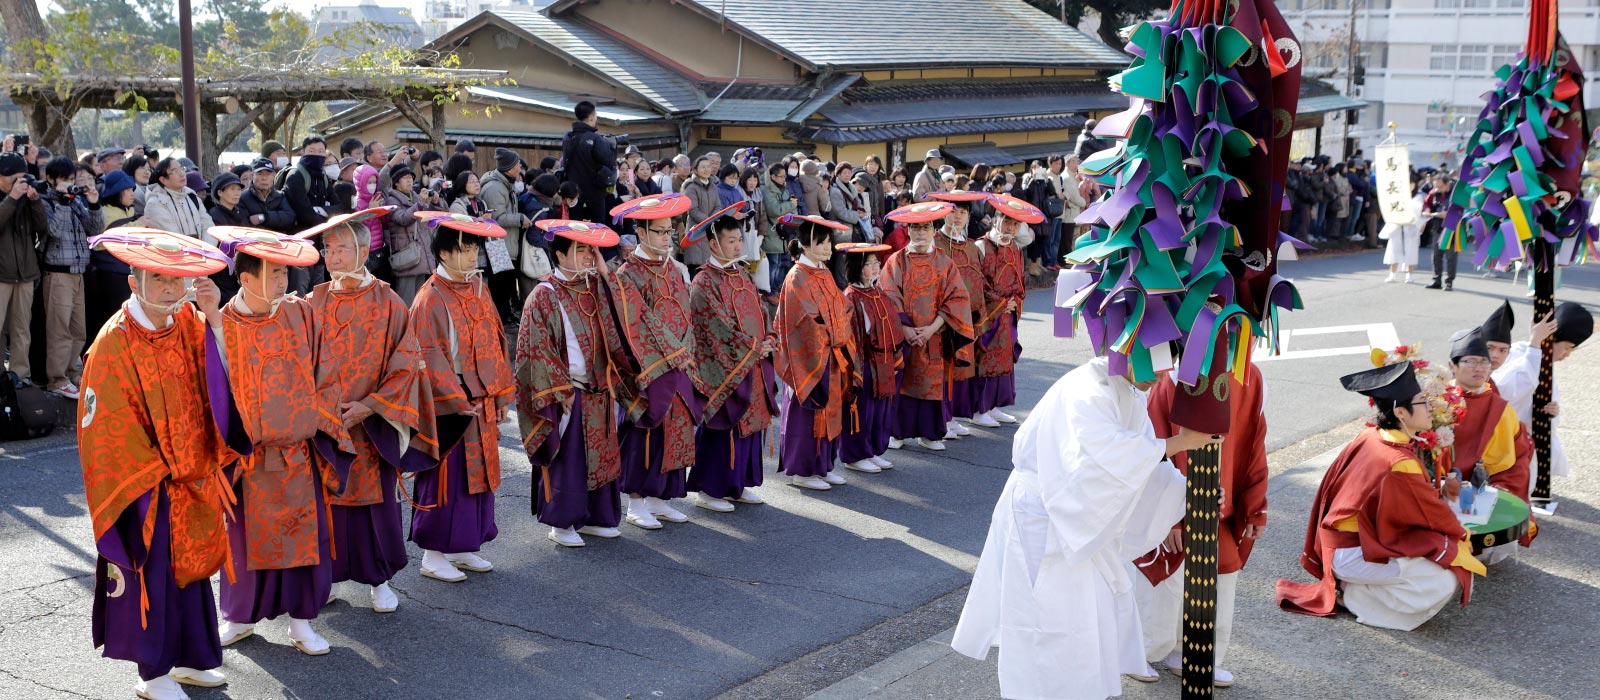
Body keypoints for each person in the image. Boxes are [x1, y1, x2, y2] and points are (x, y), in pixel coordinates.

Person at [951, 356, 1219, 700]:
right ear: (1129, 351)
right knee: (1044, 627)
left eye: (1168, 364)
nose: (1164, 374)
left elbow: (1137, 466)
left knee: (1086, 627)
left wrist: (1185, 495)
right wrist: (1177, 444)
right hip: (1044, 520)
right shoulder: (1087, 389)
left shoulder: (1128, 391)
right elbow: (1100, 461)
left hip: (1080, 524)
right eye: (1156, 363)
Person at [77, 228, 247, 700]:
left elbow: (219, 387)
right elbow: (107, 424)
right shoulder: (114, 341)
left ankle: (194, 659)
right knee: (152, 574)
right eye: (159, 279)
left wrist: (214, 319)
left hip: (194, 471)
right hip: (148, 482)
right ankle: (151, 674)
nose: (171, 289)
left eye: (177, 279)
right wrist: (156, 473)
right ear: (134, 283)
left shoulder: (190, 322)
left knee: (192, 573)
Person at [209, 227, 351, 657]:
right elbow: (212, 390)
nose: (282, 284)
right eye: (272, 275)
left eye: (284, 274)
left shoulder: (300, 313)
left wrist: (318, 422)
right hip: (245, 458)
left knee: (304, 544)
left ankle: (302, 623)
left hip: (295, 452)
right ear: (245, 278)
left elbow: (326, 372)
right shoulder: (221, 324)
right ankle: (239, 618)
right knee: (242, 543)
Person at [298, 210, 440, 613]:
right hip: (327, 424)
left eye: (341, 247)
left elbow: (406, 363)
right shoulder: (315, 300)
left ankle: (380, 581)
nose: (333, 255)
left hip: (371, 424)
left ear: (364, 249)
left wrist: (371, 406)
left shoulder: (389, 300)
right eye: (328, 248)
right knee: (327, 504)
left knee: (374, 507)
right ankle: (326, 580)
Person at [1276, 362, 1487, 631]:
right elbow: (1433, 514)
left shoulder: (1370, 435)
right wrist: (1461, 536)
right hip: (1353, 552)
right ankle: (1355, 598)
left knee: (1437, 555)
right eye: (1422, 401)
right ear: (1400, 412)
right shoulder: (1398, 461)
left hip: (1342, 547)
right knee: (1445, 577)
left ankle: (1354, 589)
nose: (1430, 407)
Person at [1133, 363, 1268, 688]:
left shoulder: (1248, 375)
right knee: (1168, 583)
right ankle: (1137, 651)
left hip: (1220, 504)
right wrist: (1170, 516)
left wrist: (1254, 506)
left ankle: (1195, 655)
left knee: (1223, 573)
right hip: (1174, 499)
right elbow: (1155, 445)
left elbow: (1254, 441)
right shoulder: (1173, 379)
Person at [406, 212, 513, 578]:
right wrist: (457, 399)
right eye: (464, 250)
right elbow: (427, 355)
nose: (471, 257)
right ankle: (434, 555)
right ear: (445, 254)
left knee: (478, 476)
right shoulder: (430, 297)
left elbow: (495, 343)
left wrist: (498, 394)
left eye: (474, 249)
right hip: (450, 406)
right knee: (446, 478)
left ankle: (466, 546)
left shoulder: (478, 288)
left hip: (480, 399)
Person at [515, 218, 631, 547]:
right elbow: (535, 349)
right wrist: (557, 389)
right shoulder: (544, 294)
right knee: (571, 458)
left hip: (600, 388)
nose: (586, 256)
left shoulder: (596, 286)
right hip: (569, 391)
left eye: (590, 250)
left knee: (603, 455)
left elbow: (623, 322)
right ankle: (562, 521)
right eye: (580, 250)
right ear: (561, 254)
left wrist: (605, 275)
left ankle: (598, 516)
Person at [611, 194, 702, 529]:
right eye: (661, 232)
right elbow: (636, 322)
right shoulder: (627, 273)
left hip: (679, 362)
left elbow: (685, 314)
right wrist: (672, 353)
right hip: (649, 367)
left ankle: (663, 497)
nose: (667, 237)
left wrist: (687, 349)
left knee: (676, 428)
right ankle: (637, 501)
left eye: (669, 232)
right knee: (645, 432)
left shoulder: (673, 269)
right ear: (643, 233)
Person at [687, 215, 777, 509]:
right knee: (723, 425)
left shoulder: (743, 275)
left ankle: (737, 484)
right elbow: (715, 327)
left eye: (739, 240)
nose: (738, 246)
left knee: (749, 425)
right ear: (714, 244)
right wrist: (754, 347)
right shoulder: (703, 281)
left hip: (752, 360)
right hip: (722, 367)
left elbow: (761, 310)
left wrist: (770, 337)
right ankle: (710, 489)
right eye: (731, 241)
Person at [881, 200, 973, 451]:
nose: (920, 233)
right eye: (915, 228)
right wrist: (907, 329)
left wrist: (933, 327)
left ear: (934, 230)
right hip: (904, 334)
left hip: (935, 334)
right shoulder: (896, 261)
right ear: (908, 231)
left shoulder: (944, 262)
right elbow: (888, 295)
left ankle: (930, 434)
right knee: (903, 382)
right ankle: (897, 432)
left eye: (925, 228)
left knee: (931, 384)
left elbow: (957, 298)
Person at [774, 215, 856, 491]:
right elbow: (803, 321)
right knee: (807, 413)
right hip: (809, 358)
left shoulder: (823, 272)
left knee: (830, 410)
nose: (827, 248)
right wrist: (832, 336)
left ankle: (823, 466)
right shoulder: (797, 276)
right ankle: (802, 470)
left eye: (828, 242)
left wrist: (842, 328)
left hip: (831, 354)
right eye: (821, 243)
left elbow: (838, 308)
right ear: (806, 244)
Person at [1492, 301, 1590, 511]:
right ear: (1552, 338)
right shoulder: (1521, 352)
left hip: (1527, 441)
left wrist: (1552, 411)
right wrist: (1535, 343)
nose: (1567, 355)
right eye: (1567, 348)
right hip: (1505, 440)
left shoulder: (1542, 359)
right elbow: (1509, 390)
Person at [39, 155, 101, 400]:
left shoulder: (74, 201)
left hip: (78, 273)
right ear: (51, 179)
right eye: (64, 180)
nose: (68, 184)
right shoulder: (47, 202)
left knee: (78, 329)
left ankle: (74, 372)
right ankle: (57, 379)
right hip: (57, 274)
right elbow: (53, 231)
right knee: (59, 330)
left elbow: (95, 232)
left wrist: (94, 204)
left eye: (71, 179)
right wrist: (64, 202)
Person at [926, 193, 988, 437]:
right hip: (942, 316)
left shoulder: (971, 246)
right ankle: (940, 418)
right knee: (941, 368)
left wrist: (979, 312)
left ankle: (950, 416)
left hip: (967, 315)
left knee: (959, 368)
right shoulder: (935, 243)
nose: (958, 216)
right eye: (953, 211)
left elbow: (978, 280)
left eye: (963, 212)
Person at [972, 195, 1036, 427]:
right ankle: (980, 409)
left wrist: (1014, 301)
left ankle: (994, 405)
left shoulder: (1015, 247)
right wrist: (999, 303)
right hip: (990, 312)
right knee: (985, 356)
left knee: (1004, 357)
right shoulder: (982, 245)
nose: (1010, 227)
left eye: (1015, 224)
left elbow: (1020, 279)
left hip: (1008, 310)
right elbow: (977, 282)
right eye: (1006, 221)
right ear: (995, 220)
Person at [837, 242, 901, 475]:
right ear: (856, 267)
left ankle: (873, 450)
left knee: (879, 409)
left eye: (876, 263)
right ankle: (855, 455)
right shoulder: (851, 296)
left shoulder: (877, 292)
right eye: (869, 264)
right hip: (862, 362)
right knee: (861, 409)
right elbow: (850, 336)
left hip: (882, 361)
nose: (875, 268)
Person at [85, 170, 139, 343]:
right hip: (110, 275)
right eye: (128, 189)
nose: (132, 193)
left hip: (128, 272)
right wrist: (141, 224)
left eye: (132, 189)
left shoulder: (130, 211)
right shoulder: (105, 212)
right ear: (117, 192)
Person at [480, 148, 532, 323]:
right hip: (498, 245)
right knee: (500, 285)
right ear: (509, 168)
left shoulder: (504, 184)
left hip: (507, 243)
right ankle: (500, 318)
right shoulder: (495, 187)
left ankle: (506, 315)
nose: (520, 167)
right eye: (517, 164)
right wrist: (520, 219)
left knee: (508, 283)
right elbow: (496, 217)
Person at [383, 165, 431, 306]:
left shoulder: (415, 197)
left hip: (420, 255)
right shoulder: (392, 200)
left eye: (411, 177)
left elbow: (429, 218)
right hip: (407, 258)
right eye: (405, 178)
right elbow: (403, 219)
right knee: (406, 302)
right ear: (397, 182)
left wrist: (433, 202)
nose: (409, 181)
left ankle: (417, 327)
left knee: (420, 301)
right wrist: (420, 204)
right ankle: (405, 328)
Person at [561, 101, 617, 222]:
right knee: (598, 228)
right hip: (595, 191)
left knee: (575, 228)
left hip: (573, 192)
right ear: (591, 118)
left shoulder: (567, 137)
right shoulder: (595, 138)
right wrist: (611, 145)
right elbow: (608, 160)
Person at [142, 158, 213, 244]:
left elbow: (208, 226)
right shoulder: (155, 203)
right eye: (175, 171)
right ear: (163, 180)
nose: (182, 173)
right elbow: (173, 237)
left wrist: (206, 249)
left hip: (201, 253)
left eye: (182, 169)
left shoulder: (191, 196)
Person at [761, 162, 797, 293]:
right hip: (772, 232)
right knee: (773, 264)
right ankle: (769, 291)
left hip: (783, 233)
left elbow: (793, 209)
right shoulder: (766, 190)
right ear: (772, 177)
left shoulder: (784, 189)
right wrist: (791, 205)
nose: (783, 179)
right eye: (781, 176)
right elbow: (774, 210)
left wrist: (791, 207)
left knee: (781, 264)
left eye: (784, 176)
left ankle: (776, 290)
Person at [681, 156, 719, 275]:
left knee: (710, 268)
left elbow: (718, 206)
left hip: (710, 230)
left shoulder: (713, 185)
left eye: (708, 166)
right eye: (703, 167)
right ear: (695, 170)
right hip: (696, 231)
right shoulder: (691, 187)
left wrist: (713, 219)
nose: (707, 169)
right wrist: (709, 221)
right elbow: (692, 210)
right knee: (696, 268)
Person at [1380, 179, 1423, 283]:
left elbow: (1418, 210)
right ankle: (1392, 274)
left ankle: (1409, 274)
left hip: (1410, 225)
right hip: (1397, 225)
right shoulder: (1397, 194)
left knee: (1411, 250)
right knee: (1394, 249)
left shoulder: (1418, 197)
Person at [1423, 174, 1456, 290]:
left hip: (1451, 228)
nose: (1437, 189)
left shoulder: (1455, 193)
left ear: (1447, 184)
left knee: (1450, 256)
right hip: (1437, 226)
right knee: (1436, 255)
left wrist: (1442, 214)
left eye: (1440, 186)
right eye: (1435, 186)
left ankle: (1449, 281)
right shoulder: (1434, 192)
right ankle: (1436, 280)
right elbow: (1427, 203)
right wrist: (1427, 210)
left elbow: (1459, 210)